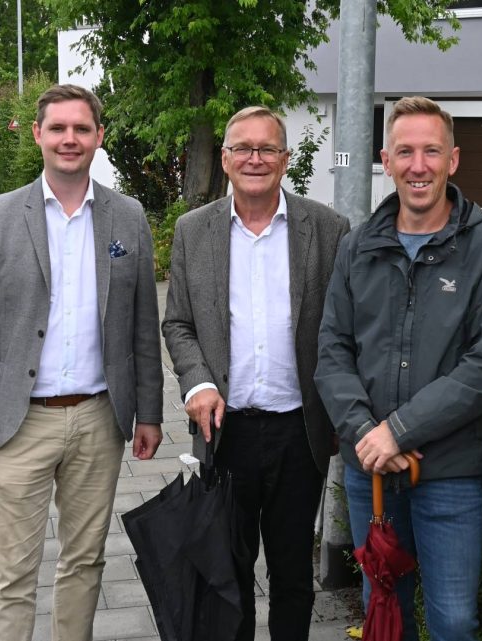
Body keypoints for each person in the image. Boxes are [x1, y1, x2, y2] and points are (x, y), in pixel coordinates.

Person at [0, 83, 164, 641]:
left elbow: (144, 325)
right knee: (12, 573)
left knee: (84, 562)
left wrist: (149, 413)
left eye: (81, 128)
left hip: (99, 419)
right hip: (18, 424)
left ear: (98, 137)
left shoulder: (127, 217)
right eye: (58, 128)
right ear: (38, 135)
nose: (70, 139)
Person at [315, 96, 482, 641]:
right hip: (371, 474)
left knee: (454, 621)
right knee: (383, 610)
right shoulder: (358, 246)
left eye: (431, 151)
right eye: (405, 151)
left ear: (452, 159)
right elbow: (333, 350)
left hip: (449, 472)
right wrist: (368, 435)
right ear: (385, 160)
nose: (418, 165)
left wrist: (399, 431)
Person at [162, 106, 350, 640]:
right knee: (228, 573)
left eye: (267, 149)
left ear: (286, 160)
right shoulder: (192, 231)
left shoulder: (328, 228)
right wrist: (197, 382)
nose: (255, 158)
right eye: (242, 148)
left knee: (293, 574)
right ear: (224, 159)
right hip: (225, 433)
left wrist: (341, 407)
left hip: (301, 432)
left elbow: (344, 328)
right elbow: (177, 322)